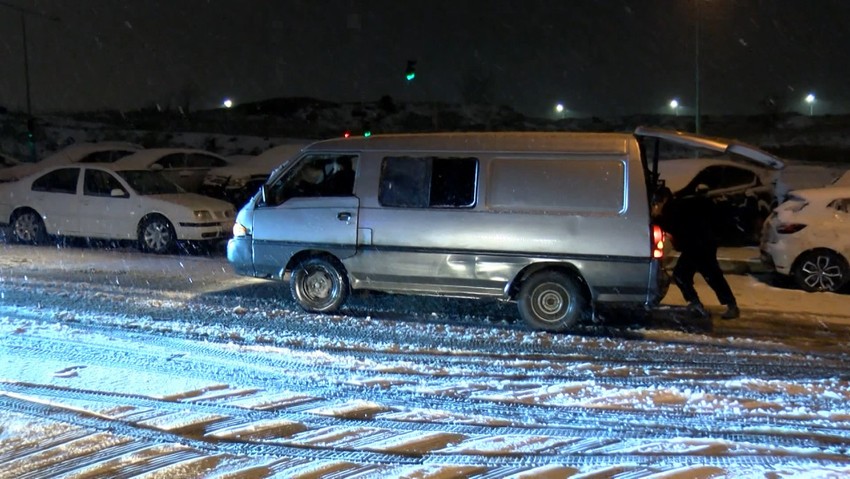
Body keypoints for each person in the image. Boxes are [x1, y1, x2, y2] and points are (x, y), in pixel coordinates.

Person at [652, 185, 740, 320]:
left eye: (657, 203)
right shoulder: (679, 205)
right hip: (701, 244)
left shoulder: (672, 209)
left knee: (686, 275)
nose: (656, 206)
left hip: (698, 246)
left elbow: (673, 226)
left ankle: (699, 304)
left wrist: (656, 219)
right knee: (708, 275)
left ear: (664, 199)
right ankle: (723, 304)